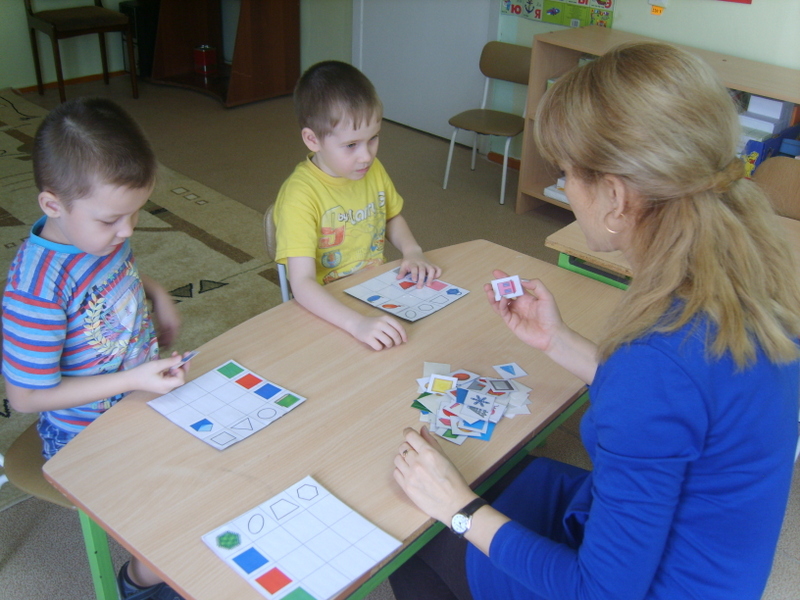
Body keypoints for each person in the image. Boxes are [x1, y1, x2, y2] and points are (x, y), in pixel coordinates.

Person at [390, 42, 800, 600]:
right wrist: (558, 340)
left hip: (652, 588)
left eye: (565, 173)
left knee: (414, 539)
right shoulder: (753, 282)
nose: (563, 189)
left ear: (614, 196)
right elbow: (681, 404)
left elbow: (597, 592)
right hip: (707, 558)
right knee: (497, 475)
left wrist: (459, 511)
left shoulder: (656, 361)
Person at [1, 97, 191, 600]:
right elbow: (24, 397)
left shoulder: (96, 237)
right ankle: (139, 583)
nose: (127, 231)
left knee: (223, 469)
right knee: (178, 522)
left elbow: (113, 271)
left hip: (141, 399)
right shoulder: (35, 290)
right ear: (53, 205)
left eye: (135, 214)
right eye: (112, 220)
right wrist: (132, 380)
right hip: (85, 436)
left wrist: (155, 291)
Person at [273, 60, 441, 351]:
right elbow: (301, 285)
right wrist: (356, 324)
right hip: (328, 310)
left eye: (373, 139)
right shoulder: (299, 196)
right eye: (351, 145)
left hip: (373, 292)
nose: (366, 156)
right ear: (312, 139)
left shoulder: (371, 170)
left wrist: (413, 250)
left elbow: (391, 216)